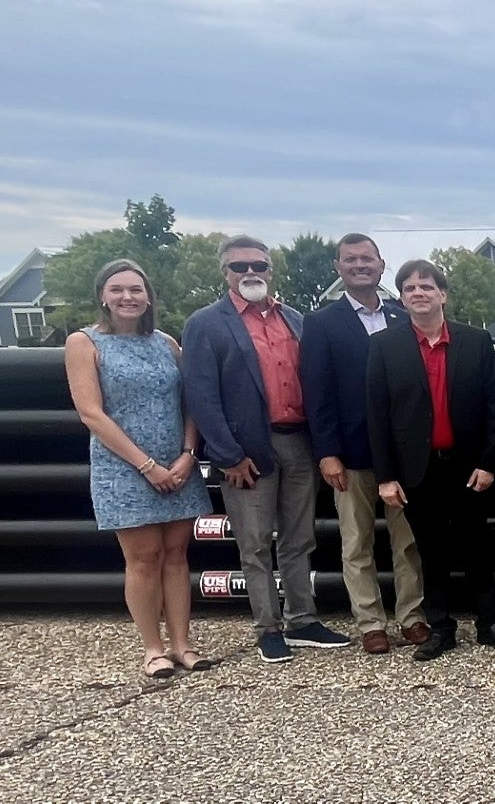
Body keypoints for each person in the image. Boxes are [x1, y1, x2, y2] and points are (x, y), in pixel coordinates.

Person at [183, 235, 349, 662]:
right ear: (225, 272)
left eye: (258, 265)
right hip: (246, 450)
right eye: (240, 266)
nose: (250, 272)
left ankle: (302, 620)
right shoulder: (205, 323)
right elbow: (201, 395)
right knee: (255, 544)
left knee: (299, 538)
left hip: (299, 441)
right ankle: (268, 628)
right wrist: (227, 455)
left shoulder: (294, 319)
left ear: (270, 270)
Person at [67, 259, 216, 678]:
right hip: (124, 468)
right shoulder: (84, 342)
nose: (127, 297)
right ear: (103, 295)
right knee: (143, 558)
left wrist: (188, 453)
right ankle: (153, 648)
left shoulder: (166, 343)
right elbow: (91, 413)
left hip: (177, 465)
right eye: (117, 289)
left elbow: (190, 401)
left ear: (148, 296)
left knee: (176, 555)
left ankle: (182, 643)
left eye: (135, 289)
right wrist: (146, 465)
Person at [367, 259, 495, 661]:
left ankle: (489, 623)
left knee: (477, 548)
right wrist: (385, 476)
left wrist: (489, 463)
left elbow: (494, 406)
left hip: (469, 467)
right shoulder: (384, 346)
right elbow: (377, 415)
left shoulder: (476, 341)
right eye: (410, 288)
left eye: (426, 286)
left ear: (443, 294)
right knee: (430, 552)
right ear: (401, 298)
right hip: (417, 470)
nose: (418, 293)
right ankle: (441, 627)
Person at [298, 233, 428, 655]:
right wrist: (326, 452)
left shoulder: (402, 316)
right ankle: (371, 623)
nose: (359, 265)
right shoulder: (321, 323)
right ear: (338, 267)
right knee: (357, 543)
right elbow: (316, 393)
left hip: (402, 454)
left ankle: (412, 616)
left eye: (367, 258)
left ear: (381, 265)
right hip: (350, 453)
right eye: (350, 259)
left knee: (407, 542)